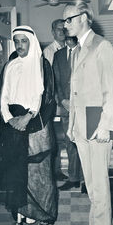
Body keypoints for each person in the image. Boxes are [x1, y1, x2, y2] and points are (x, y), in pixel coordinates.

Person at [63, 0, 113, 225]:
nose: (65, 24)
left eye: (69, 19)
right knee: (91, 184)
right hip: (81, 125)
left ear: (84, 17)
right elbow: (74, 92)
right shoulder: (77, 49)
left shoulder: (103, 46)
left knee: (98, 184)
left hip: (98, 124)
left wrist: (107, 126)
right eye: (64, 20)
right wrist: (71, 125)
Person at [0, 25, 58, 225]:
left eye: (24, 41)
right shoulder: (10, 65)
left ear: (31, 41)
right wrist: (9, 118)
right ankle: (20, 212)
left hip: (36, 124)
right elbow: (3, 95)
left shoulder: (41, 64)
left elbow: (43, 96)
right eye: (17, 41)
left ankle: (41, 213)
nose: (20, 45)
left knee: (39, 171)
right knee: (15, 169)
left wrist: (27, 117)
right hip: (12, 123)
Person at [52, 36, 86, 193]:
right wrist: (61, 100)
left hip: (86, 106)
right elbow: (55, 81)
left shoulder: (87, 50)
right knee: (70, 143)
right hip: (66, 105)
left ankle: (87, 180)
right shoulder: (58, 55)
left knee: (87, 143)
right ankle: (73, 178)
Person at [43, 19, 68, 181]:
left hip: (68, 100)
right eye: (58, 30)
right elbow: (48, 79)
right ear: (53, 32)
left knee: (68, 138)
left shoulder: (72, 48)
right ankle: (55, 170)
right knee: (54, 138)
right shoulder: (48, 52)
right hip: (53, 101)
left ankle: (73, 172)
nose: (62, 32)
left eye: (64, 29)